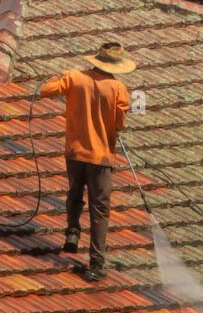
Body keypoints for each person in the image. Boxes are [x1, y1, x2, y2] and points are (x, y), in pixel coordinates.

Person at [40, 41, 135, 281]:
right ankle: (96, 262)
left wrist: (60, 75)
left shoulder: (75, 77)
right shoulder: (118, 88)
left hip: (75, 151)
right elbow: (120, 123)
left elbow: (45, 90)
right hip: (101, 156)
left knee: (74, 192)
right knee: (99, 209)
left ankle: (72, 233)